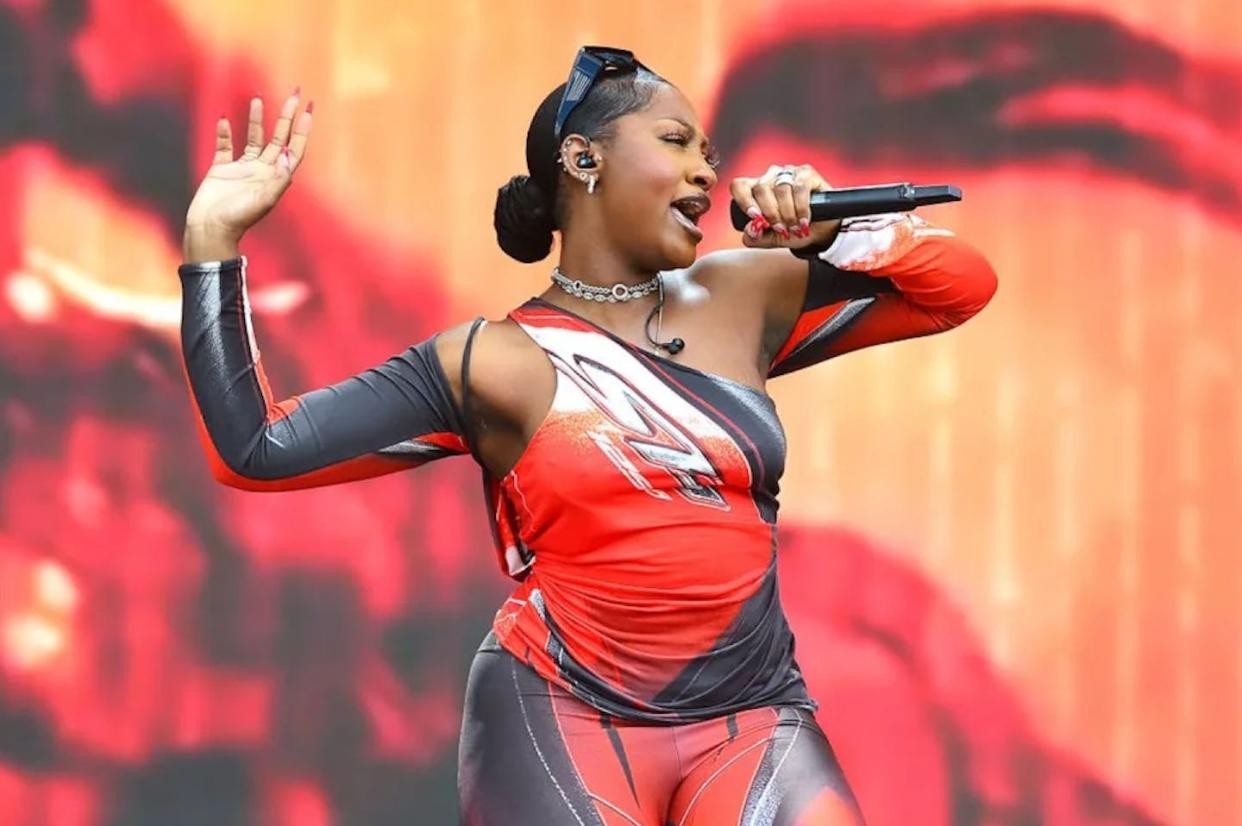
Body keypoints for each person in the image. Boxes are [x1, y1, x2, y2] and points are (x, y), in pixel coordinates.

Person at [178, 46, 996, 826]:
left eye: (708, 153)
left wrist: (846, 233)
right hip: (561, 715)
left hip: (752, 714)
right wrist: (213, 245)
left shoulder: (744, 297)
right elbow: (254, 451)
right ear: (582, 160)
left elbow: (959, 289)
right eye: (676, 142)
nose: (706, 172)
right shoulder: (491, 362)